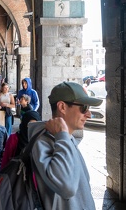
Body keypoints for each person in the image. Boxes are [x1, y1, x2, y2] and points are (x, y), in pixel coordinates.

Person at [29, 81, 102, 209]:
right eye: (84, 107)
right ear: (62, 107)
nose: (89, 114)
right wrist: (62, 136)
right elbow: (67, 186)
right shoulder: (43, 143)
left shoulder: (67, 139)